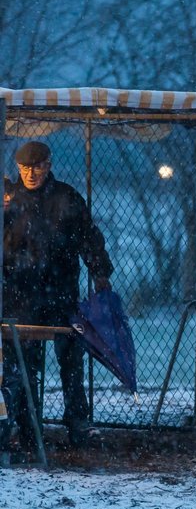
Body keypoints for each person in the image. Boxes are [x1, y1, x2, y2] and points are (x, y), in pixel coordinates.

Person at [2, 140, 114, 451]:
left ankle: (78, 425)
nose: (31, 173)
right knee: (24, 366)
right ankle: (28, 429)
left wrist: (100, 271)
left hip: (60, 293)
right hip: (21, 295)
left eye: (37, 167)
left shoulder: (66, 198)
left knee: (70, 360)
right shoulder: (11, 201)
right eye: (25, 168)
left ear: (49, 165)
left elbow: (88, 236)